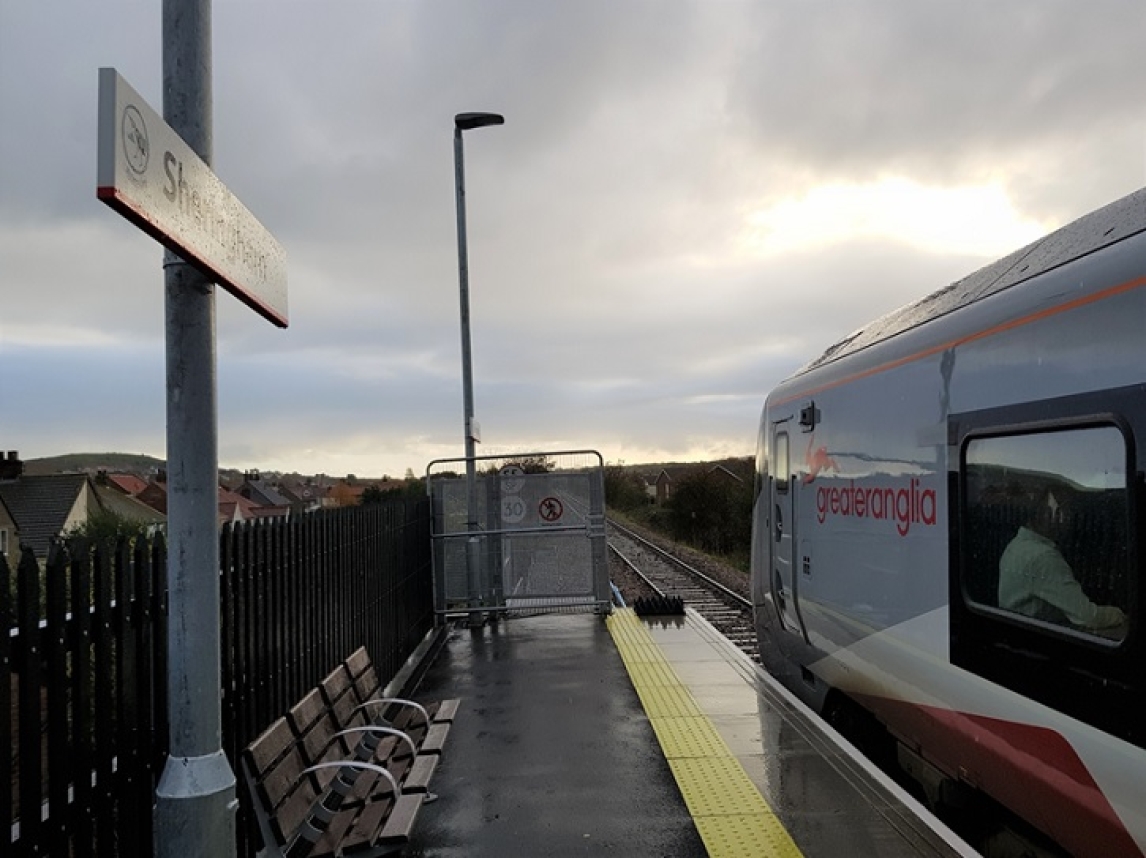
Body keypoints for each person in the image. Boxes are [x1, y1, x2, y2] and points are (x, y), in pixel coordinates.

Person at [997, 487, 1127, 633]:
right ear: (1045, 514)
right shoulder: (1043, 557)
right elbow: (1088, 617)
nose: (1068, 519)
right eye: (1064, 512)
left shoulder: (1018, 544)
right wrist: (1120, 615)